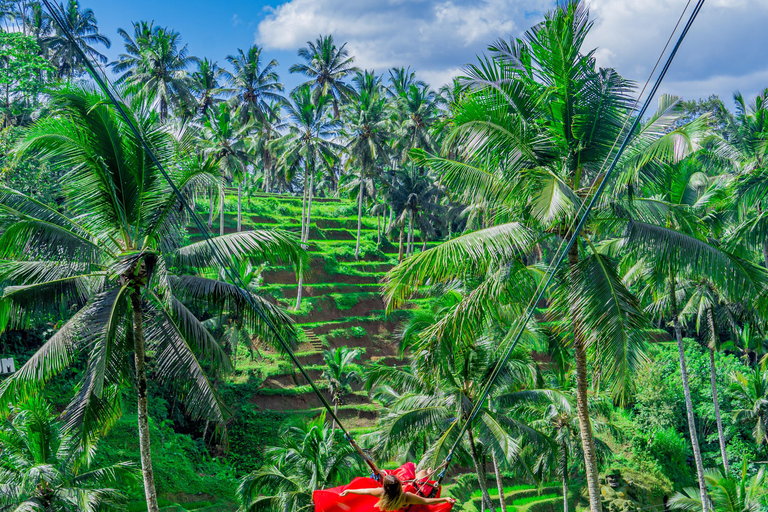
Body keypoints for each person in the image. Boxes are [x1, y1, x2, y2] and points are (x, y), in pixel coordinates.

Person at [314, 462, 456, 512]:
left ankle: (428, 473)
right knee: (422, 474)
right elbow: (426, 502)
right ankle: (429, 473)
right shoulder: (405, 497)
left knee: (421, 475)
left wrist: (348, 490)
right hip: (412, 508)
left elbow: (364, 491)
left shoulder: (381, 493)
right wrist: (445, 499)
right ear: (399, 485)